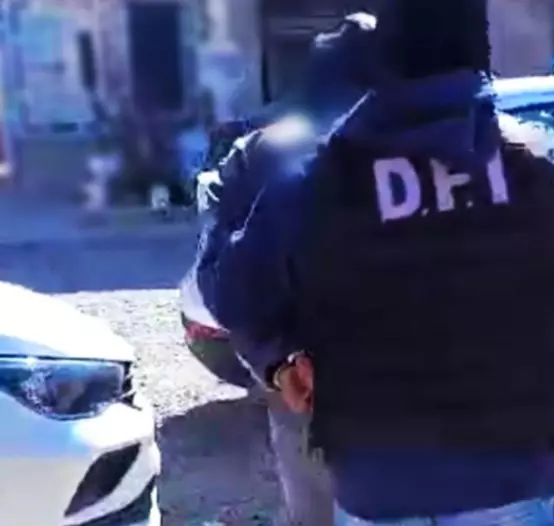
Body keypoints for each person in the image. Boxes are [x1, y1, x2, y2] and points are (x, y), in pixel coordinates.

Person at [202, 0, 554, 524]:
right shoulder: (540, 159)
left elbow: (234, 293)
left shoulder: (314, 180)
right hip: (515, 474)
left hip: (379, 484)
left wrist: (277, 359)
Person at [195, 13, 380, 526]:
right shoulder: (420, 142)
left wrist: (276, 359)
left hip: (306, 380)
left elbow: (224, 283)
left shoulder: (264, 148)